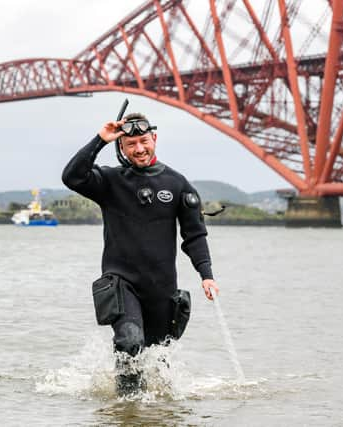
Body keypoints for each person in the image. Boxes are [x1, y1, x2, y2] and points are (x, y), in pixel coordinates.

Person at [61, 112, 219, 395]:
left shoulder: (177, 184)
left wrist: (206, 275)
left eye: (144, 141)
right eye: (131, 144)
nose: (139, 149)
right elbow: (72, 177)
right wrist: (100, 140)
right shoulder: (110, 181)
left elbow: (194, 235)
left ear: (154, 139)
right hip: (121, 282)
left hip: (161, 289)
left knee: (156, 361)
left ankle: (150, 414)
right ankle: (127, 412)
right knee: (130, 342)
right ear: (121, 147)